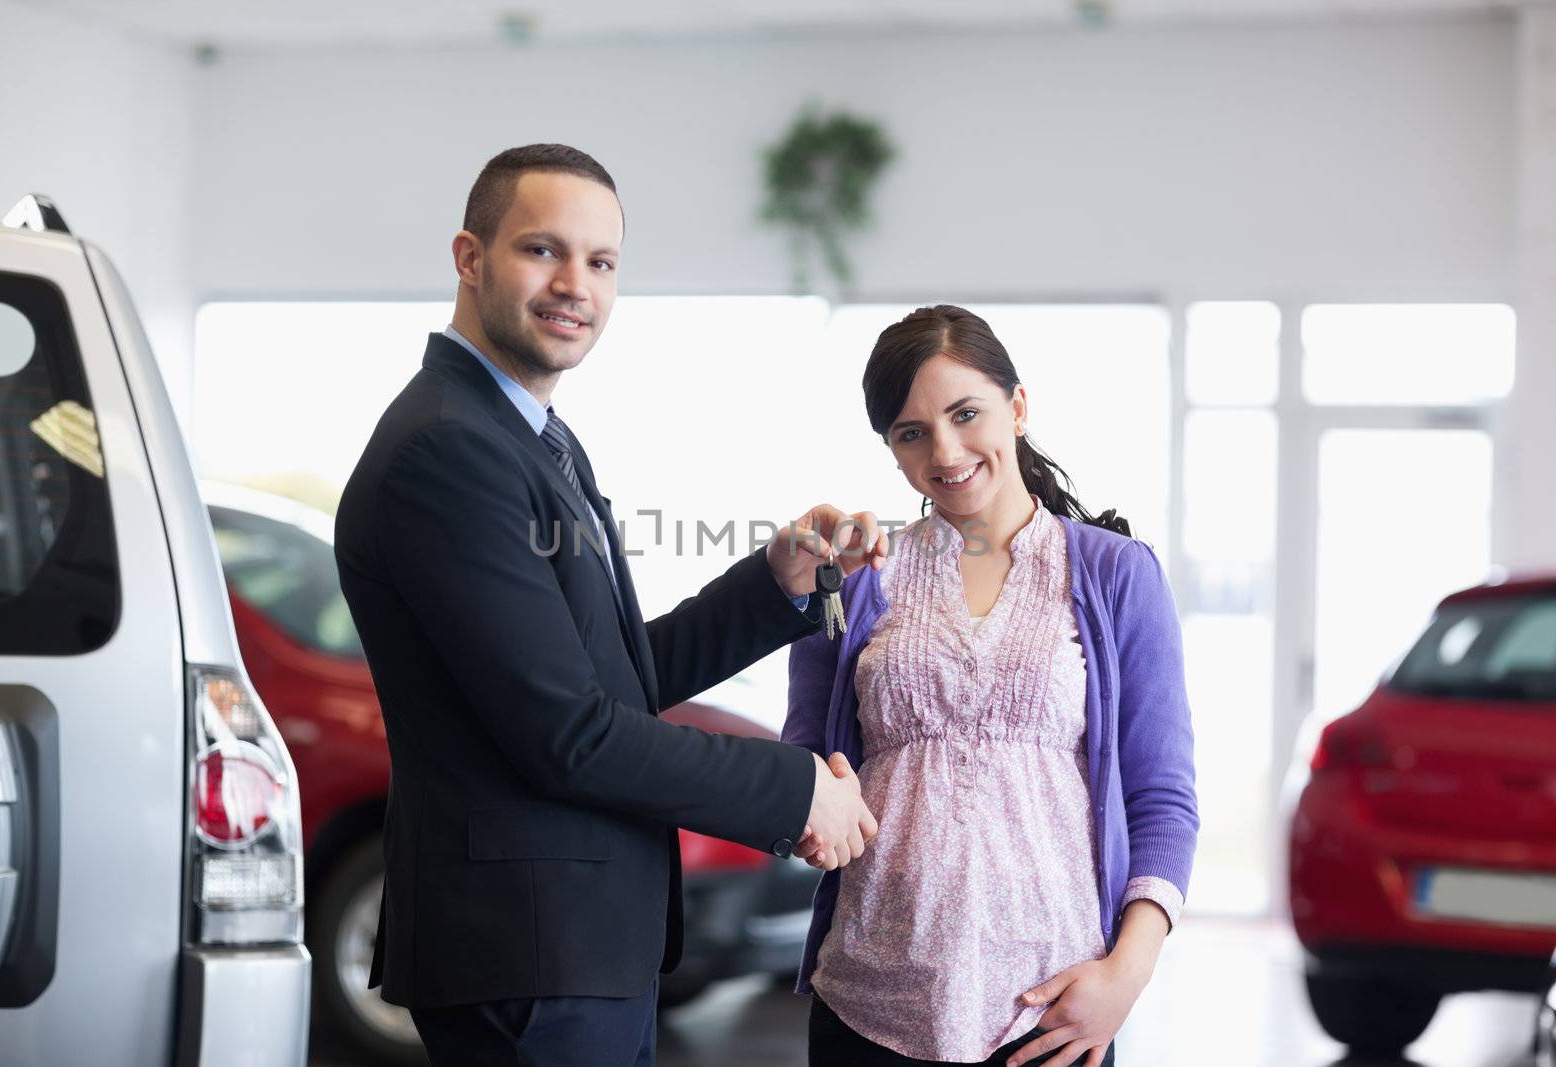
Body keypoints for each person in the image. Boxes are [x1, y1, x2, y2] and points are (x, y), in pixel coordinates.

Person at [334, 143, 884, 1067]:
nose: (574, 285)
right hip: (527, 957)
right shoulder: (450, 452)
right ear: (470, 258)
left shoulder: (530, 436)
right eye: (542, 251)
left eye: (601, 262)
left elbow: (610, 677)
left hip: (571, 948)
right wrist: (795, 792)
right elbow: (569, 730)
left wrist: (770, 588)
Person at [784, 305, 1200, 1067]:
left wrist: (1125, 976)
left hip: (1052, 1010)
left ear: (1017, 407)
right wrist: (811, 804)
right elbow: (806, 765)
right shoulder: (856, 580)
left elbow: (1163, 799)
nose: (945, 450)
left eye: (965, 413)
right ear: (893, 450)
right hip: (869, 1002)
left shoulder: (1115, 573)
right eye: (911, 432)